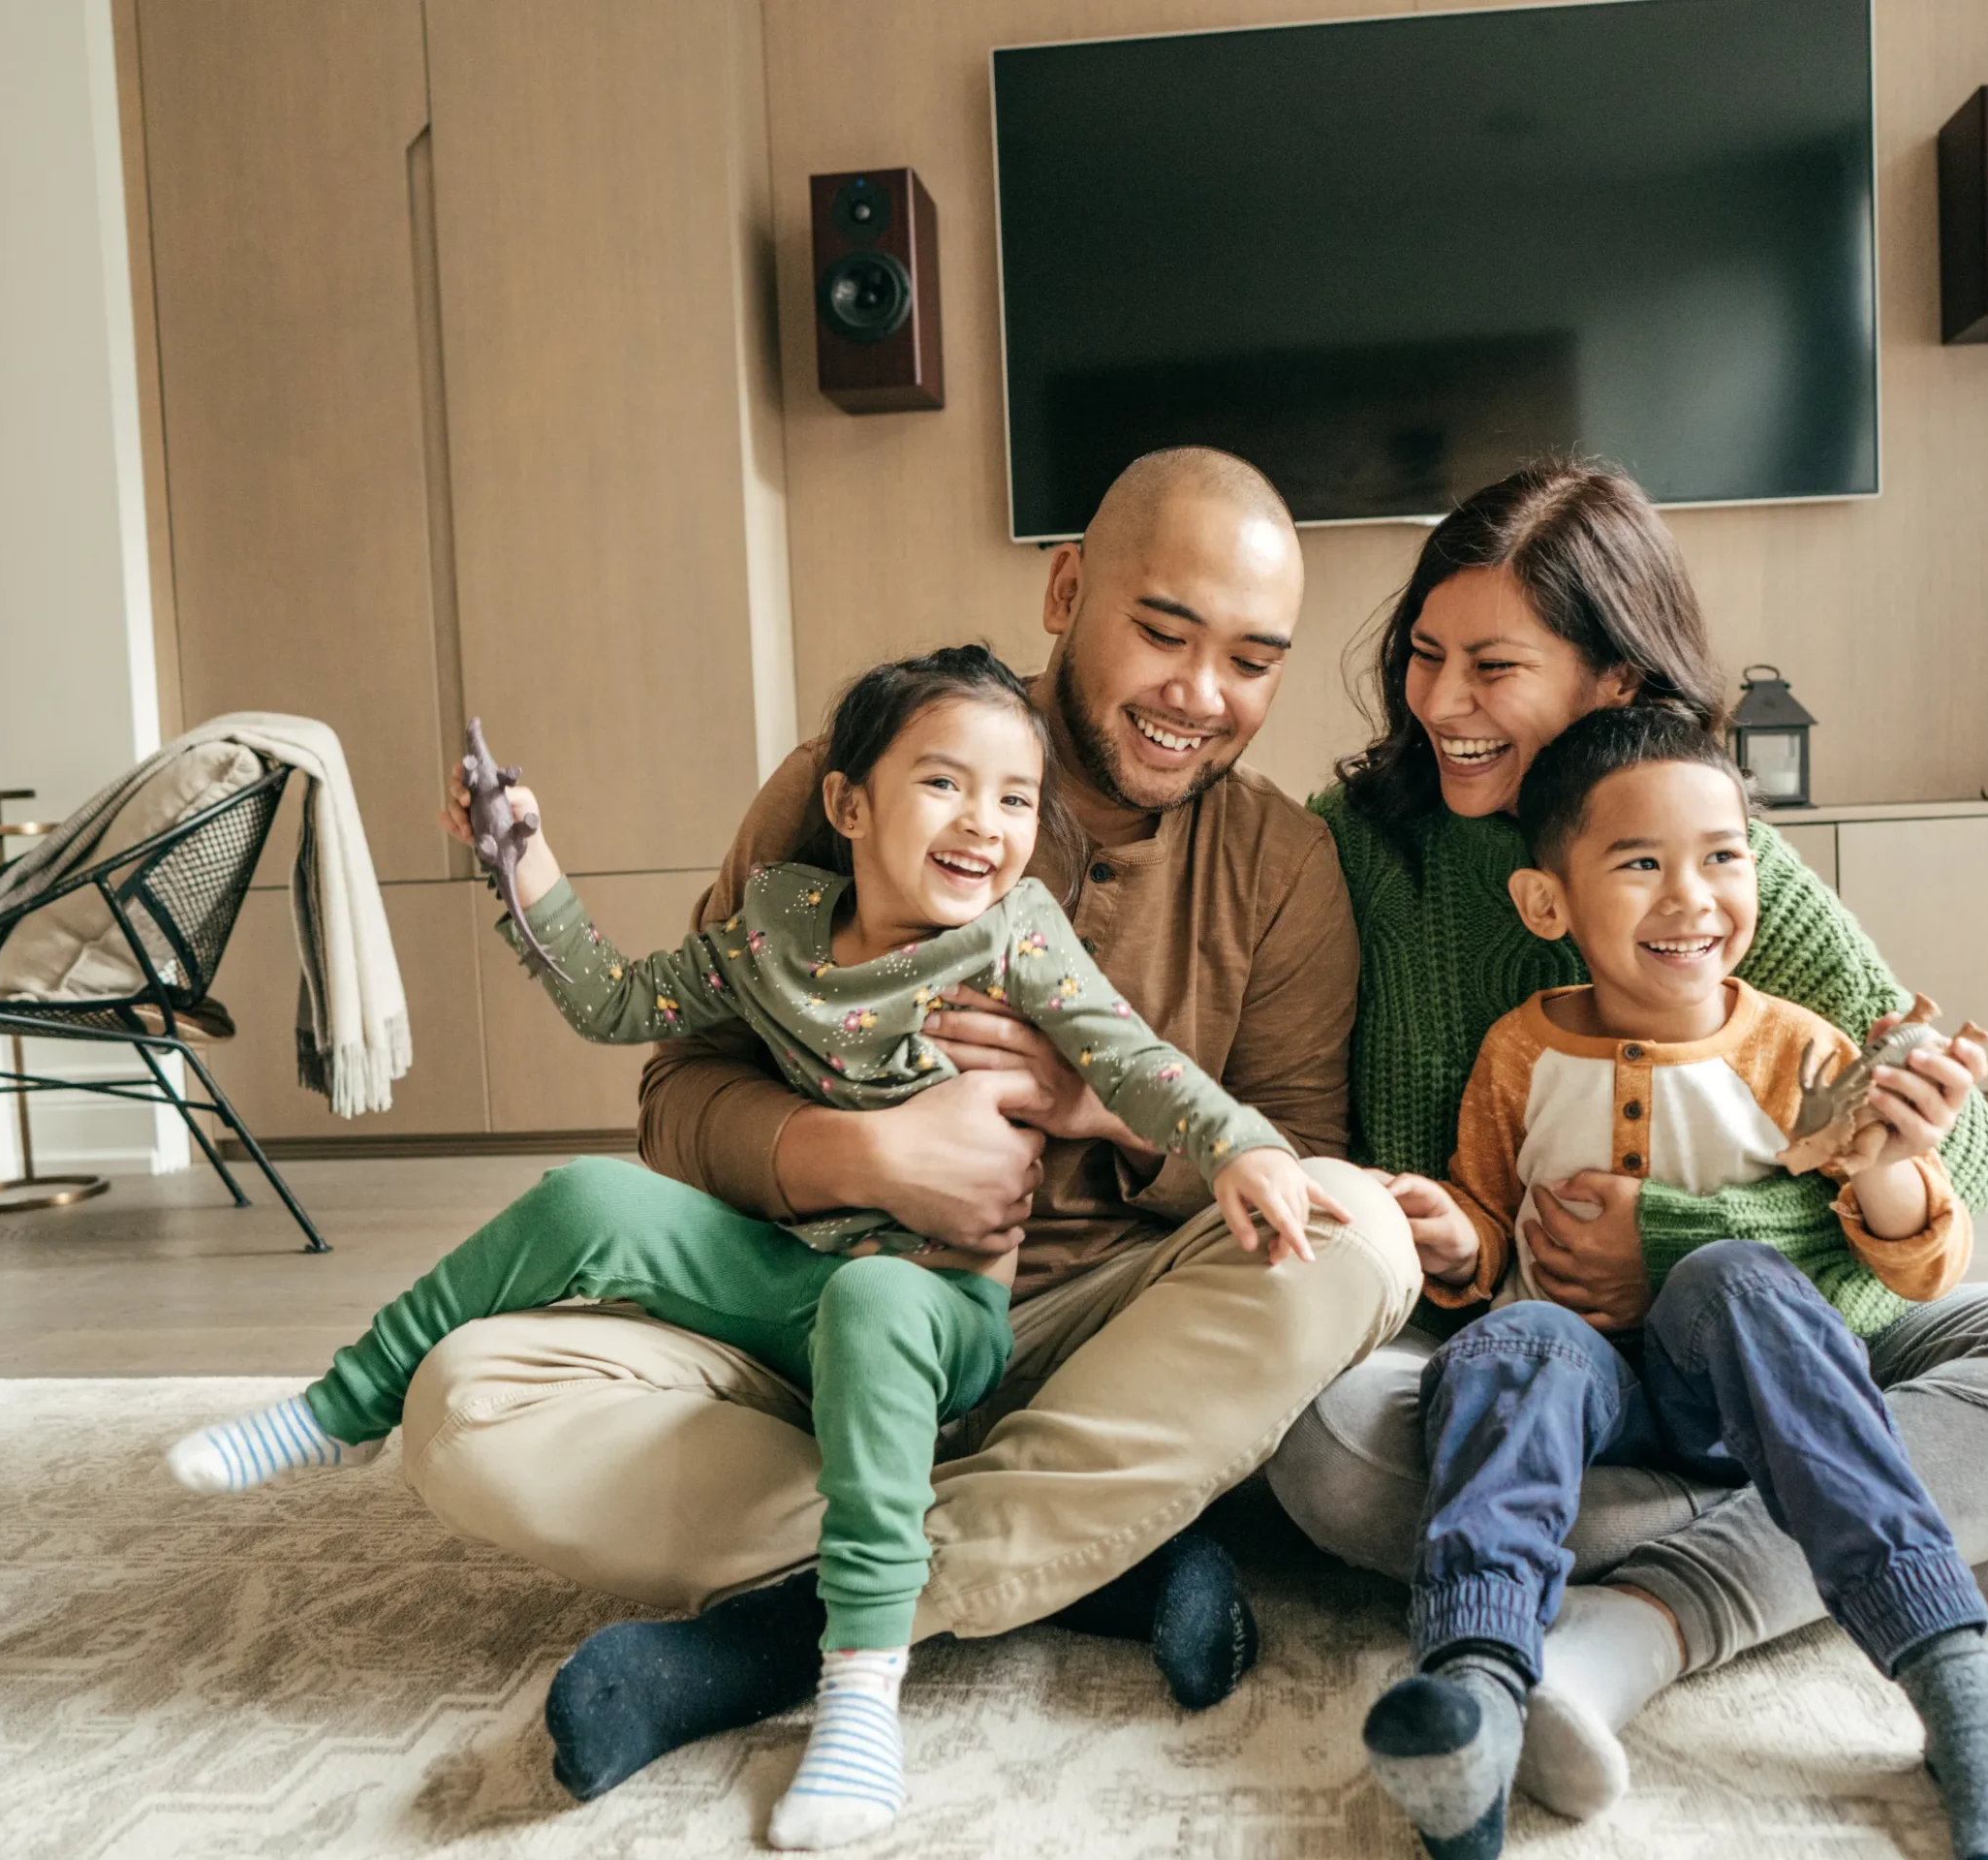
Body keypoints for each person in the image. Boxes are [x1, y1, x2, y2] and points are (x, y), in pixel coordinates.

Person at [166, 645, 1346, 1849]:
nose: (985, 826)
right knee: (583, 1198)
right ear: (849, 805)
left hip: (934, 1315)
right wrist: (524, 862)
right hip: (789, 1285)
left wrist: (1241, 1144)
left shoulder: (1014, 937)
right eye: (944, 785)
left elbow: (1134, 1060)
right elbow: (621, 1003)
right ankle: (338, 1409)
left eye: (1014, 799)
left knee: (879, 1301)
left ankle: (858, 1686)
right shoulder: (780, 919)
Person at [379, 448, 1422, 1802]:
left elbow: (1288, 1154)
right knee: (466, 1407)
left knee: (1359, 1237)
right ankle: (1082, 1554)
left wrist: (1095, 1105)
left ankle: (778, 1631)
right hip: (815, 1327)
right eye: (1163, 632)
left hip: (1092, 1347)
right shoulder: (855, 778)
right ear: (1064, 590)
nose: (1200, 696)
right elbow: (676, 1090)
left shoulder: (1283, 867)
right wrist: (863, 1156)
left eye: (1250, 660)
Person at [1268, 460, 1988, 1821]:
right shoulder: (1359, 845)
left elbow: (1967, 1164)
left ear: (1616, 686)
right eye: (1424, 656)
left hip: (1770, 1341)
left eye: (1493, 667)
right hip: (1529, 1360)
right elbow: (1414, 1196)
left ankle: (1629, 1628)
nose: (1441, 703)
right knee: (1330, 1452)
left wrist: (1679, 1241)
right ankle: (1970, 1537)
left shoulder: (1706, 853)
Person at [1359, 705, 1988, 1860]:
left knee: (1735, 1276)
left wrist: (1895, 1163)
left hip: (1755, 1392)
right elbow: (1490, 1223)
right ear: (1549, 904)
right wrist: (1456, 1241)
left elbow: (1923, 1265)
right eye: (1640, 864)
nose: (1691, 898)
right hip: (1584, 1408)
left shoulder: (1800, 1050)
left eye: (1722, 858)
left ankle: (1957, 1691)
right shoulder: (1518, 1052)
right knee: (1511, 1344)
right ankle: (1476, 1696)